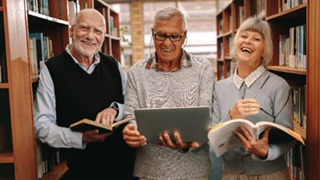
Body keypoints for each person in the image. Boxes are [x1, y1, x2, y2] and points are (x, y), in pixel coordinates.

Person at [34, 9, 136, 180]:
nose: (90, 36)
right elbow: (42, 126)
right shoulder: (52, 69)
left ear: (103, 36)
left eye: (97, 31)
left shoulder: (113, 64)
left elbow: (133, 106)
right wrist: (81, 138)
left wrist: (115, 110)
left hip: (124, 166)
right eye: (84, 28)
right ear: (72, 30)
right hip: (82, 169)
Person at [122, 7, 214, 180]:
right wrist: (130, 131)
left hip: (193, 172)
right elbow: (131, 117)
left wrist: (191, 142)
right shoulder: (136, 72)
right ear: (152, 33)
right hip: (150, 171)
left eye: (174, 36)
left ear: (184, 36)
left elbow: (207, 118)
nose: (167, 43)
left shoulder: (203, 69)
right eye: (161, 35)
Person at [212, 17, 294, 179]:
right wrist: (230, 117)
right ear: (235, 44)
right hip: (231, 174)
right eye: (243, 36)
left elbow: (288, 136)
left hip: (271, 174)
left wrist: (267, 152)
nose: (248, 41)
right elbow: (213, 136)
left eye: (256, 39)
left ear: (264, 51)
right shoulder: (219, 87)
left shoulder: (279, 85)